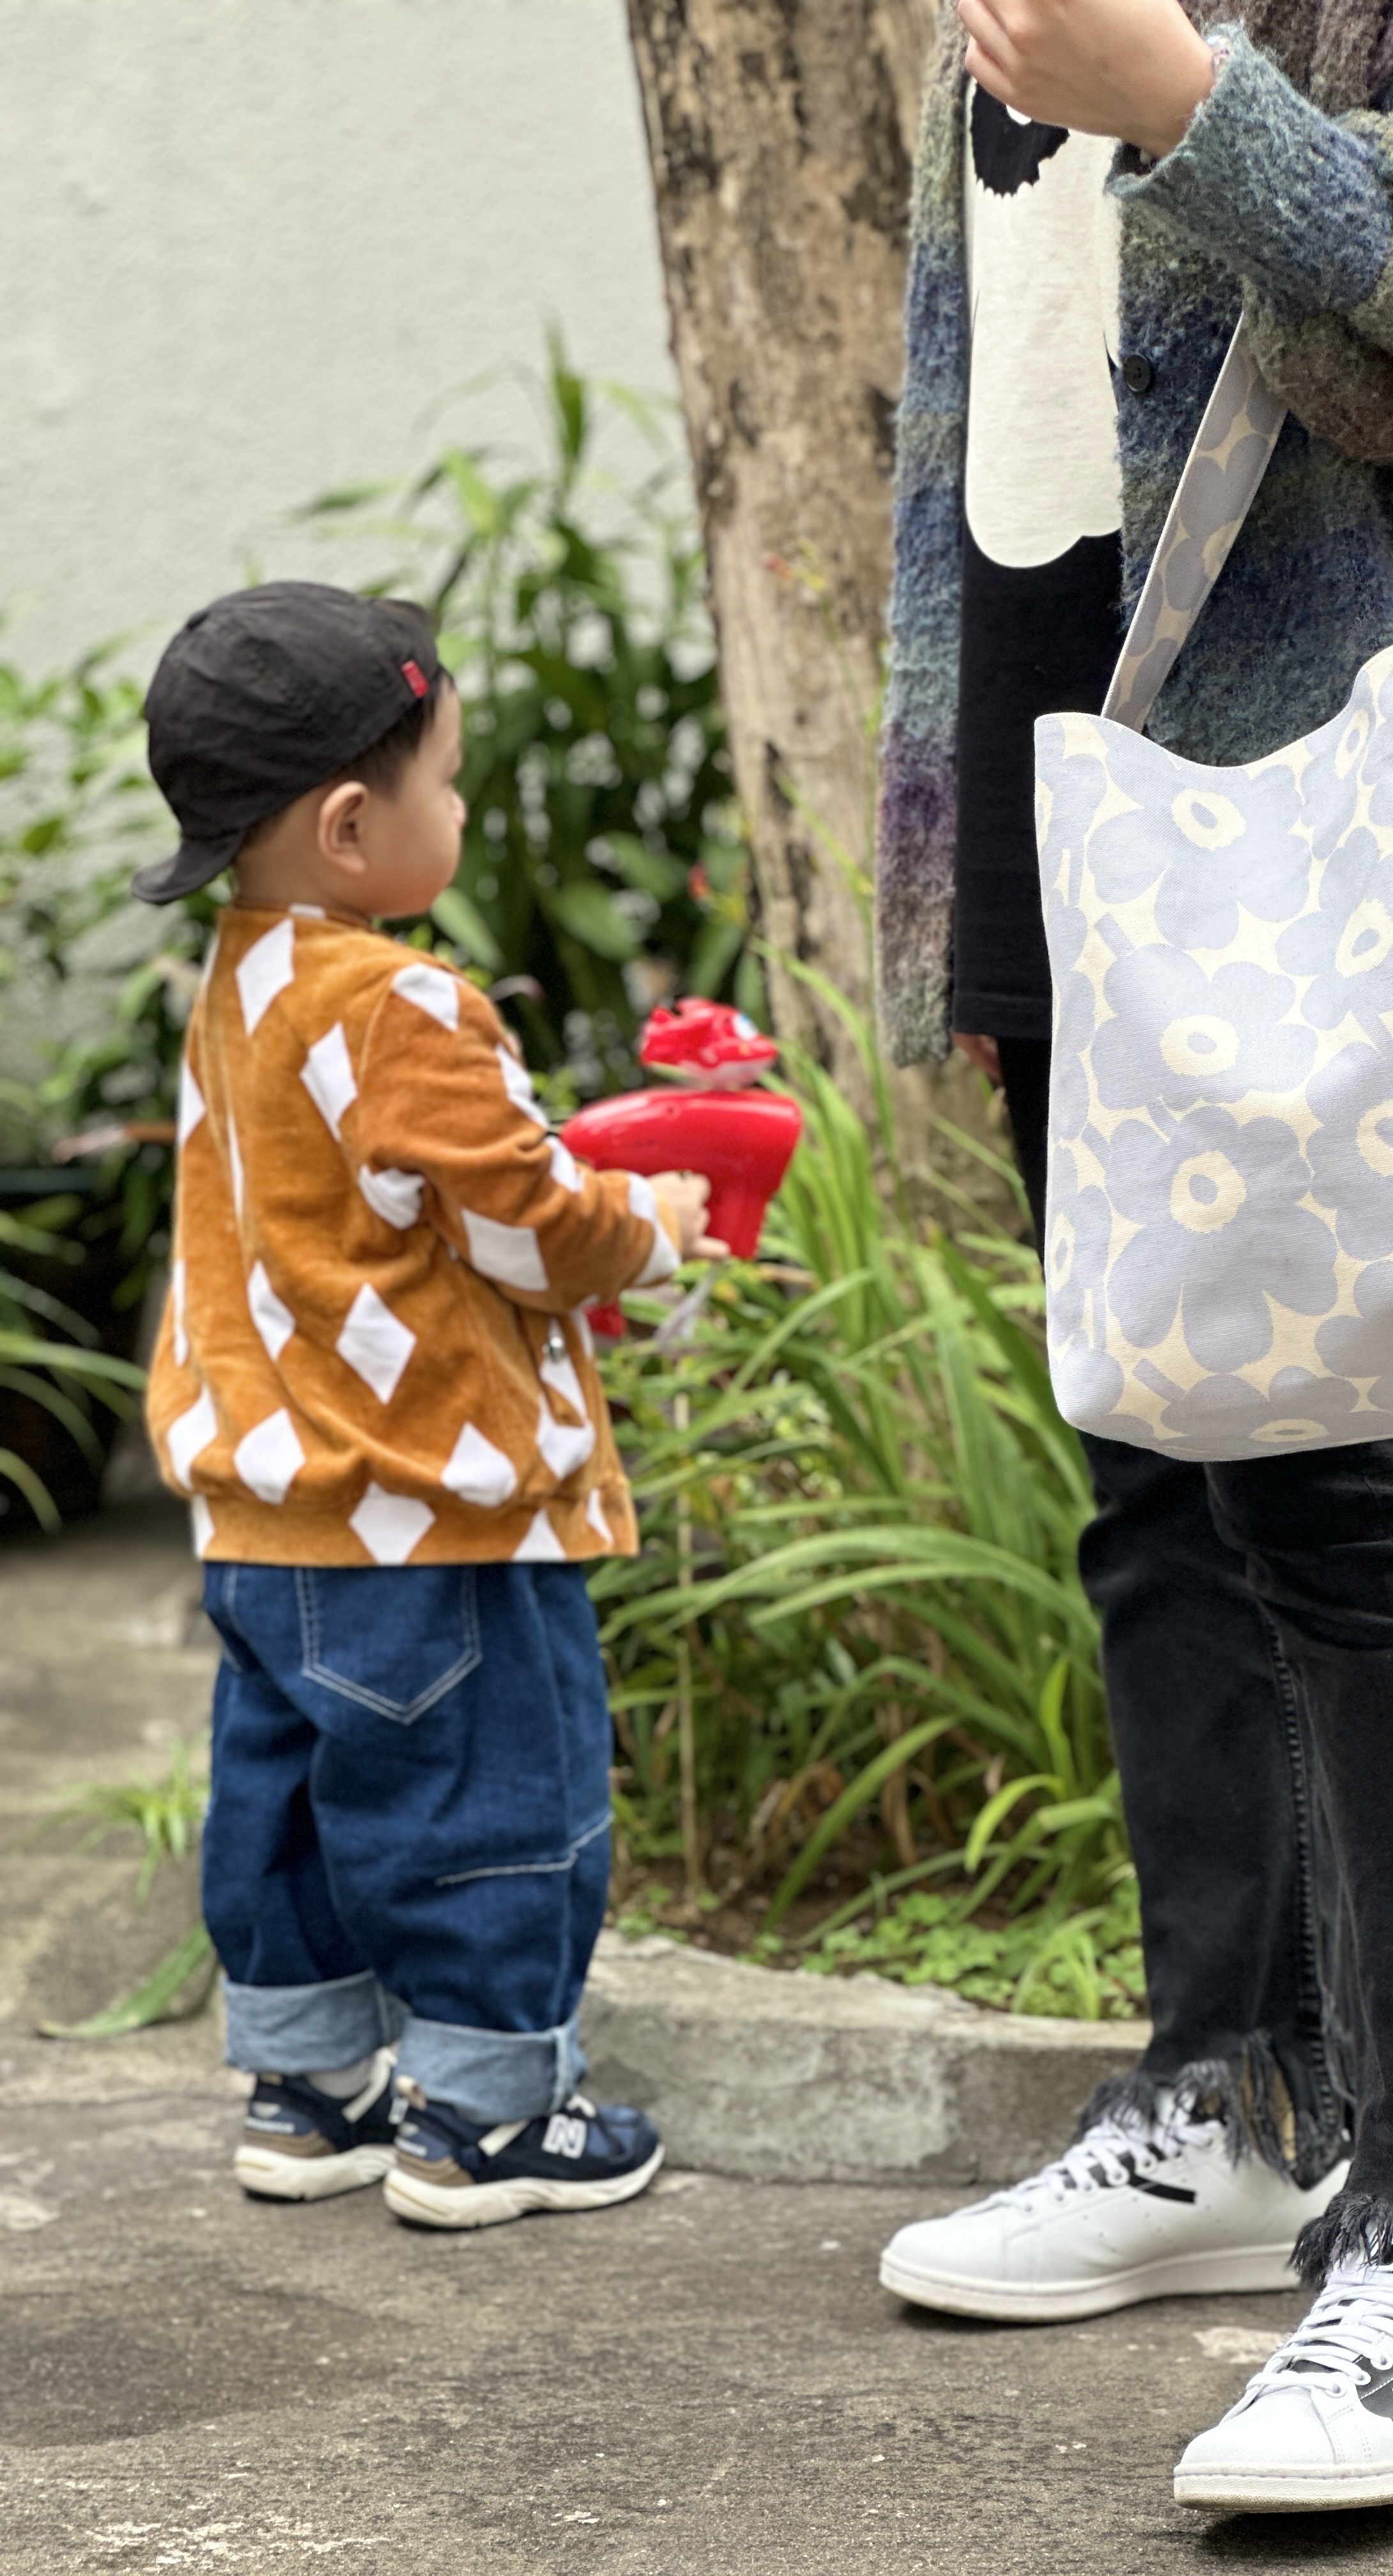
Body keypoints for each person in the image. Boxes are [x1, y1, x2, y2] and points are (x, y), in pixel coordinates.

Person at [874, 0, 1393, 2510]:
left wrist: (1188, 108)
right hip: (1059, 694)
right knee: (1157, 1435)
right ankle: (1240, 2090)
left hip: (1319, 731)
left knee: (1344, 1489)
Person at [138, 583, 723, 2230]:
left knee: (290, 1807)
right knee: (489, 1806)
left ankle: (309, 2085)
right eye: (446, 780)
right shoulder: (402, 1006)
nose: (457, 811)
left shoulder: (236, 990)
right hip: (436, 1507)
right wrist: (654, 1223)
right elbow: (526, 1228)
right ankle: (488, 2118)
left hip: (269, 1513)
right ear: (348, 823)